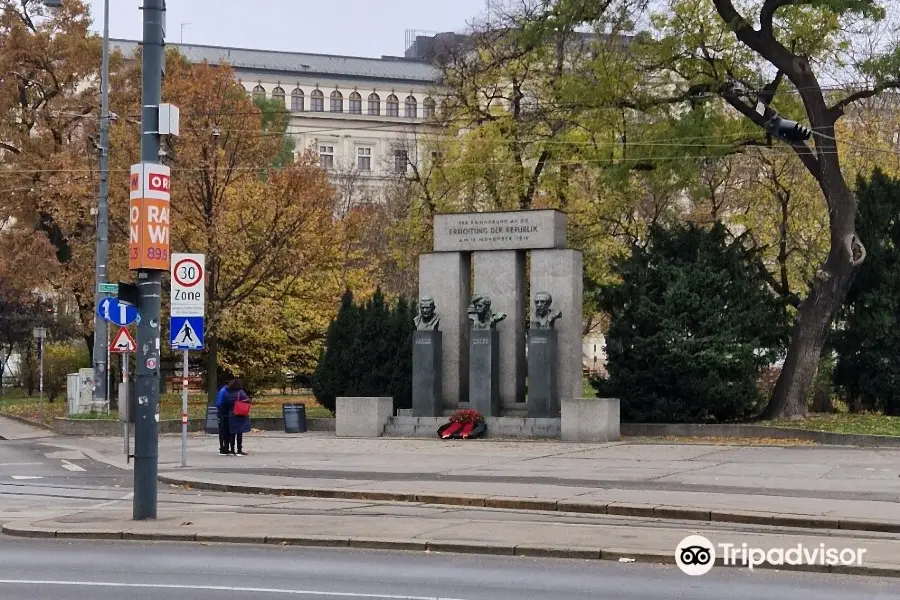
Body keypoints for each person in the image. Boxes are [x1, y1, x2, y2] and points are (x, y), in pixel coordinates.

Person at [224, 378, 252, 456]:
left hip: (231, 413)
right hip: (239, 414)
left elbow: (225, 403)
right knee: (239, 432)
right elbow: (248, 400)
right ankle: (239, 450)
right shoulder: (241, 392)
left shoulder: (227, 393)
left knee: (232, 433)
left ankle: (232, 450)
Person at [215, 383, 231, 456]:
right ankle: (223, 447)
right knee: (223, 430)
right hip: (223, 414)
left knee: (223, 430)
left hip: (222, 413)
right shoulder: (224, 391)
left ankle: (224, 447)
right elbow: (219, 403)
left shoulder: (223, 390)